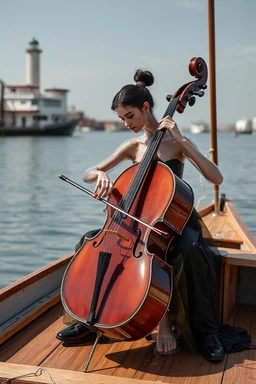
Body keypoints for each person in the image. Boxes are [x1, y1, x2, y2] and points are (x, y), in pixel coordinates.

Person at [57, 69, 226, 361]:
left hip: (172, 220)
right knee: (87, 241)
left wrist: (184, 142)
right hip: (132, 223)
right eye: (122, 118)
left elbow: (216, 177)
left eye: (130, 116)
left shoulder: (176, 143)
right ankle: (87, 320)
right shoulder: (134, 146)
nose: (126, 124)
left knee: (193, 252)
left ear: (146, 108)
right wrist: (99, 174)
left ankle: (204, 331)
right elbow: (88, 172)